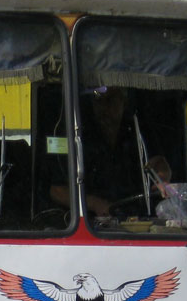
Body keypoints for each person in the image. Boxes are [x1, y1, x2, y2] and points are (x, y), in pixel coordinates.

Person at [54, 86, 168, 218]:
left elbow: (159, 163)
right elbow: (57, 190)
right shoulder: (77, 135)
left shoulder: (137, 131)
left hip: (137, 219)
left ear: (123, 101)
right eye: (98, 101)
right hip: (91, 224)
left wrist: (162, 180)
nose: (103, 108)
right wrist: (94, 203)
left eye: (110, 100)